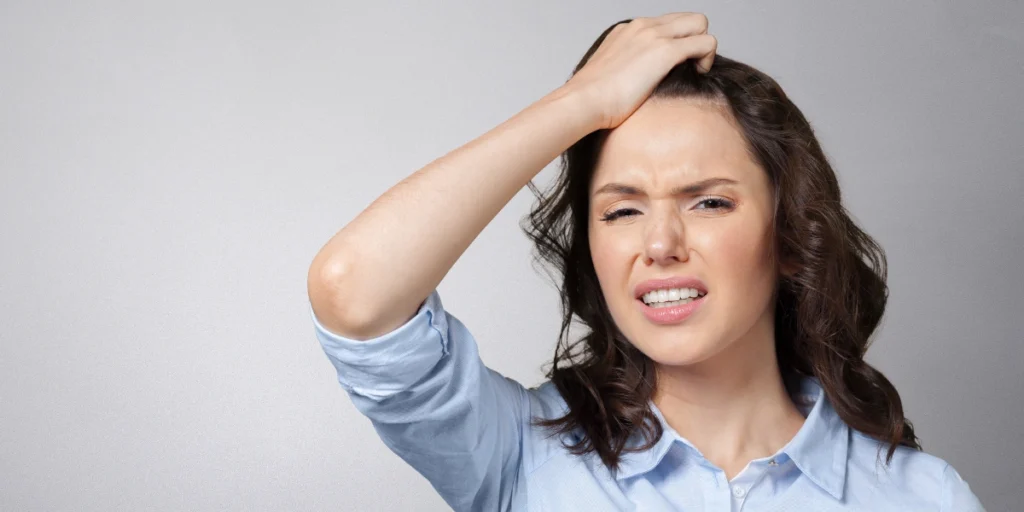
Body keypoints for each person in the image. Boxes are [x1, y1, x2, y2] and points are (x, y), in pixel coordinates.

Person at [306, 12, 985, 512]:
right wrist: (581, 104)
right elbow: (354, 292)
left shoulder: (921, 496)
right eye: (621, 210)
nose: (659, 244)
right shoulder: (518, 453)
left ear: (788, 238)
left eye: (709, 203)